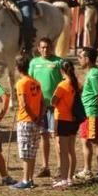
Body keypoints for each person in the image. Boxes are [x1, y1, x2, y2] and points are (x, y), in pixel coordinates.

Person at [28, 37, 63, 179]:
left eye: (47, 47)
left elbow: (66, 81)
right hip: (39, 106)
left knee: (56, 136)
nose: (45, 50)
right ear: (38, 48)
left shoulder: (59, 62)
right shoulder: (34, 63)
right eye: (42, 47)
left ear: (52, 47)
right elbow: (29, 82)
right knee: (43, 136)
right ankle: (45, 166)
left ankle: (61, 166)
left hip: (55, 106)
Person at [75, 47, 98, 185]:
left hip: (92, 113)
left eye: (80, 57)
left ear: (87, 59)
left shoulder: (94, 74)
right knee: (85, 141)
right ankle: (87, 169)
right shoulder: (91, 72)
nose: (79, 59)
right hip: (87, 112)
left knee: (96, 142)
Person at [11, 55, 44, 190]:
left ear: (17, 68)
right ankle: (30, 179)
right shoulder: (36, 82)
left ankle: (25, 180)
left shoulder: (21, 83)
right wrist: (39, 118)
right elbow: (43, 103)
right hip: (36, 121)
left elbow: (24, 104)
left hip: (25, 120)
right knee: (32, 151)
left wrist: (32, 117)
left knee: (25, 151)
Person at [51, 60, 82, 189]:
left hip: (63, 119)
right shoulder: (77, 84)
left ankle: (63, 179)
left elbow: (53, 101)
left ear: (62, 71)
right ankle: (70, 178)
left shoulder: (62, 85)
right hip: (74, 120)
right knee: (71, 150)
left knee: (63, 152)